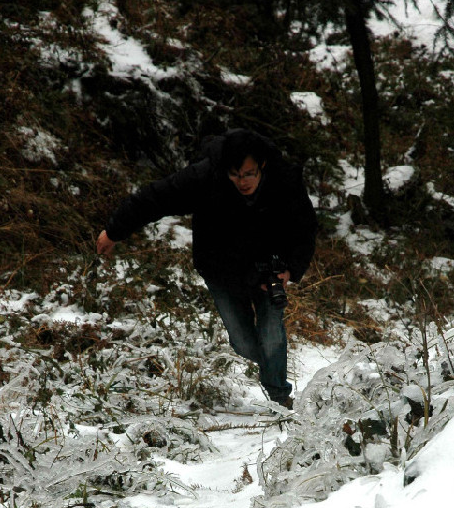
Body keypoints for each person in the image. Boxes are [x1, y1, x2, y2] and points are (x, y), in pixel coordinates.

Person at [97, 128, 317, 408]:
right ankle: (271, 368)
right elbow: (154, 198)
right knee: (244, 344)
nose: (242, 182)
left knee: (272, 336)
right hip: (222, 271)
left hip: (268, 272)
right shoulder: (205, 177)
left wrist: (290, 269)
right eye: (235, 175)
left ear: (261, 165)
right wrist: (114, 232)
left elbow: (305, 227)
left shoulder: (284, 179)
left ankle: (279, 399)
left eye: (248, 174)